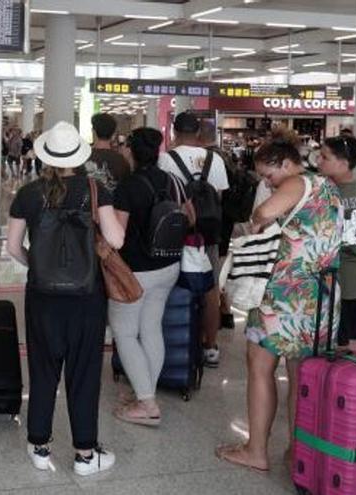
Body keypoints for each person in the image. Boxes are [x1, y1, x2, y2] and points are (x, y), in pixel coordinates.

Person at [216, 130, 342, 472]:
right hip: (319, 294)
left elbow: (265, 212)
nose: (269, 184)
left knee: (260, 366)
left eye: (269, 175)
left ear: (287, 163)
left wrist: (256, 223)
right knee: (300, 374)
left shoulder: (297, 182)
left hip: (284, 294)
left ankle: (256, 451)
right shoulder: (327, 186)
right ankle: (298, 450)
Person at [6, 121, 125, 477]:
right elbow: (116, 241)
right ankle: (85, 454)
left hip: (42, 297)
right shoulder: (96, 189)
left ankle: (39, 446)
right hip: (86, 298)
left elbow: (13, 248)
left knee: (43, 370)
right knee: (84, 374)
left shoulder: (28, 193)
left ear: (45, 155)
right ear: (79, 155)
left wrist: (38, 267)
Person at [109, 127, 186, 427]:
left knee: (125, 332)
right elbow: (186, 216)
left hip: (135, 271)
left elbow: (118, 236)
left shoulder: (127, 186)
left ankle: (147, 404)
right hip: (168, 265)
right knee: (151, 328)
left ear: (130, 150)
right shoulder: (172, 181)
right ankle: (146, 393)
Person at [158, 112, 229, 368]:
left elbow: (162, 196)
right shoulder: (215, 160)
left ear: (174, 132)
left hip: (175, 232)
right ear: (199, 132)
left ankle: (175, 339)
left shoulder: (165, 159)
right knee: (209, 290)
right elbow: (219, 197)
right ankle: (210, 346)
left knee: (173, 284)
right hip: (207, 234)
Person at [317, 135, 356, 352]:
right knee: (353, 340)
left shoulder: (327, 195)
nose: (318, 161)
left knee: (337, 343)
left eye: (324, 157)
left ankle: (344, 386)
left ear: (343, 163)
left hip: (335, 278)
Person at [202, 121, 256, 331]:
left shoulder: (209, 159)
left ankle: (220, 312)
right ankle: (225, 311)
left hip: (214, 221)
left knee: (214, 272)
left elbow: (216, 195)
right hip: (226, 219)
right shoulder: (225, 157)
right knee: (219, 268)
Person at [88, 113, 131, 192]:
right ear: (113, 134)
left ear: (93, 131)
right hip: (113, 202)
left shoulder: (84, 158)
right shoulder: (121, 161)